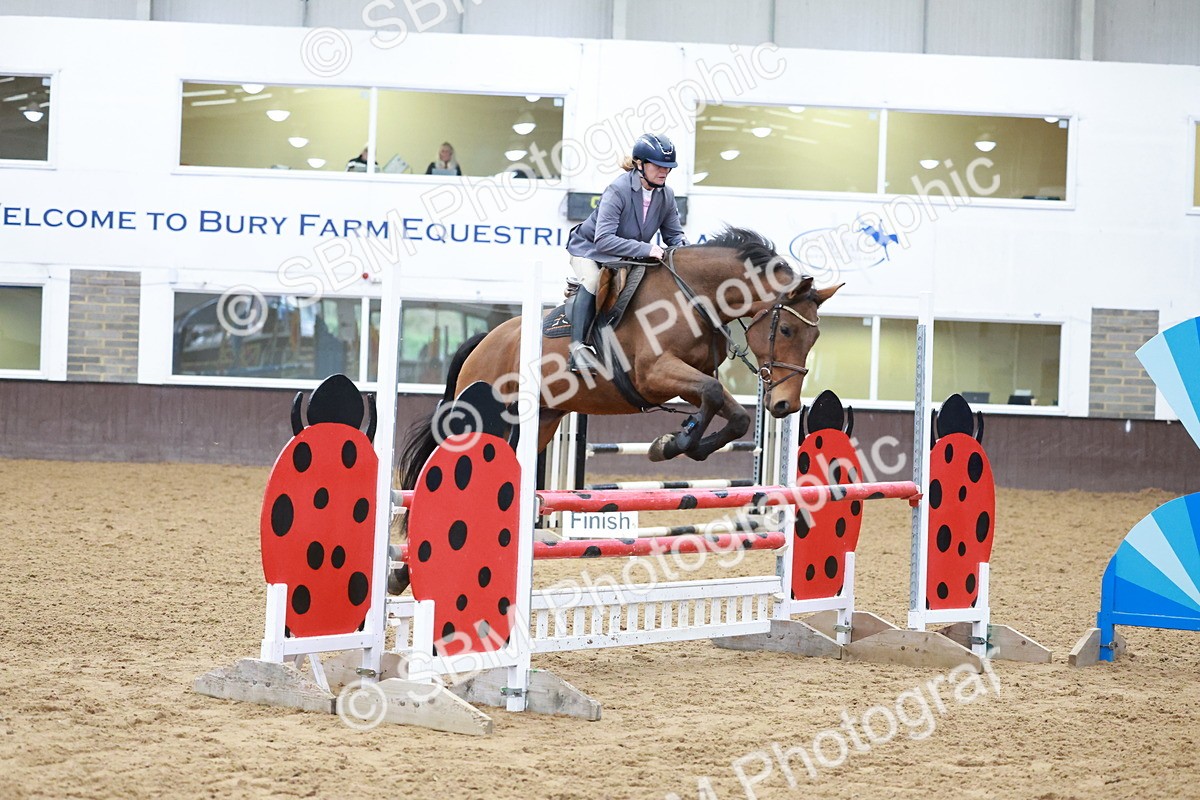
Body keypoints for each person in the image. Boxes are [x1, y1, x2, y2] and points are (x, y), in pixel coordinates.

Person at [564, 133, 687, 373]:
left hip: (625, 255)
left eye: (668, 167)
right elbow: (604, 239)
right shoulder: (617, 190)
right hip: (589, 249)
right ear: (640, 165)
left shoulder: (666, 195)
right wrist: (647, 248)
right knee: (592, 280)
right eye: (658, 166)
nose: (664, 171)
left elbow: (674, 236)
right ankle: (577, 351)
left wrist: (686, 254)